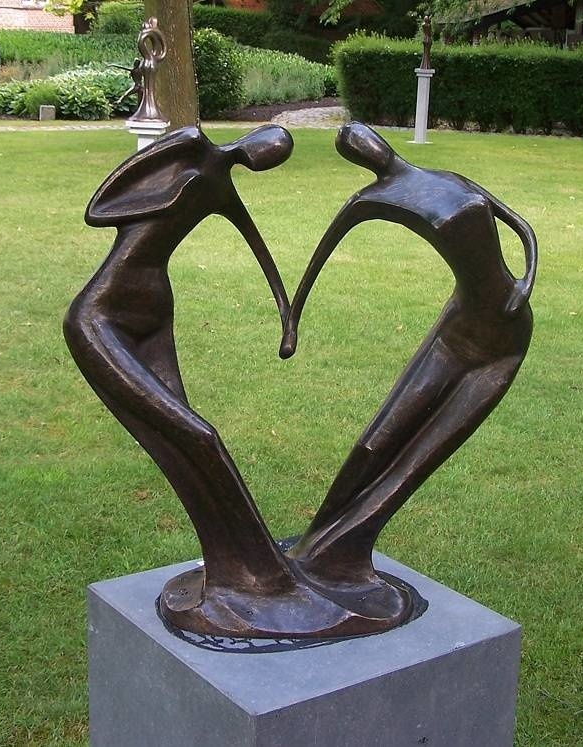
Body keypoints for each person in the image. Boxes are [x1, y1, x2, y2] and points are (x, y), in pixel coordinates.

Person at [281, 122, 537, 584]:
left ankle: (343, 550)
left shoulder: (449, 179)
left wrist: (526, 282)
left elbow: (522, 228)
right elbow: (317, 260)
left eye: (362, 136)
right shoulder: (371, 201)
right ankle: (314, 543)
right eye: (352, 146)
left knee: (423, 453)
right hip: (457, 331)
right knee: (376, 440)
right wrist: (291, 320)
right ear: (356, 158)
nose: (364, 147)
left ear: (377, 141)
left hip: (506, 332)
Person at [64, 126, 296, 597]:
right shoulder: (188, 147)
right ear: (256, 138)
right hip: (102, 314)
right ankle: (256, 566)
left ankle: (237, 566)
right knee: (197, 436)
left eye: (277, 155)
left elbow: (262, 254)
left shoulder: (223, 192)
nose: (268, 155)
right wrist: (167, 193)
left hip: (155, 309)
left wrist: (287, 319)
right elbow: (98, 210)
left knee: (184, 445)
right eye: (272, 145)